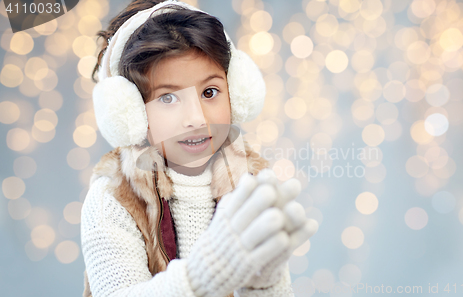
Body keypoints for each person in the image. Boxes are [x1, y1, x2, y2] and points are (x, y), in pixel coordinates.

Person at [81, 1, 318, 296]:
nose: (196, 119)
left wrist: (265, 282)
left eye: (209, 92)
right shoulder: (113, 196)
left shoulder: (249, 183)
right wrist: (204, 275)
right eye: (168, 98)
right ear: (132, 113)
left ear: (235, 91)